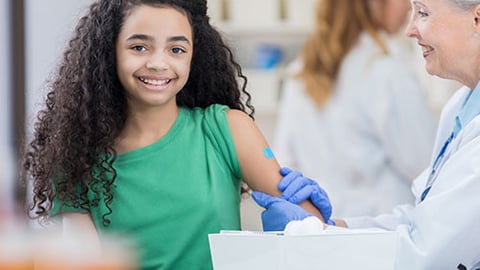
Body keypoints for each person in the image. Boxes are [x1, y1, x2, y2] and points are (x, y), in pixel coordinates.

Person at [21, 1, 322, 269]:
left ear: (194, 56)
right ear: (108, 52)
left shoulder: (226, 129)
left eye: (176, 49)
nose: (158, 63)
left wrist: (308, 223)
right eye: (139, 47)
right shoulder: (78, 158)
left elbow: (313, 233)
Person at [253, 0, 480, 268]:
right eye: (416, 10)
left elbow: (426, 248)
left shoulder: (302, 69)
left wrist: (323, 232)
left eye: (422, 12)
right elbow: (423, 203)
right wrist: (328, 229)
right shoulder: (393, 75)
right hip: (368, 247)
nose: (410, 28)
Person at [273, 0, 437, 216]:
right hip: (380, 234)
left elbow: (285, 162)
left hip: (321, 230)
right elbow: (428, 168)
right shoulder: (387, 73)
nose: (408, 7)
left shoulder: (300, 71)